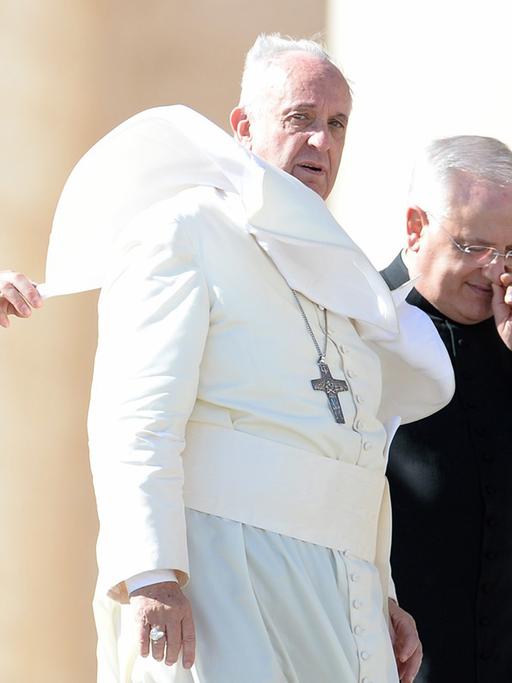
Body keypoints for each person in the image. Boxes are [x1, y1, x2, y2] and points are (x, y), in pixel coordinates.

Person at [1, 34, 456, 683]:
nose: (321, 142)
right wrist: (153, 574)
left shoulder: (343, 267)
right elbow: (134, 415)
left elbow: (351, 451)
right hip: (224, 582)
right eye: (300, 118)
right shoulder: (185, 228)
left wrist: (377, 587)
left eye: (336, 124)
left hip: (335, 597)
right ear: (243, 128)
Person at [381, 135, 512, 683]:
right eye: (472, 246)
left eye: (510, 252)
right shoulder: (356, 329)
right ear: (416, 226)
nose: (493, 271)